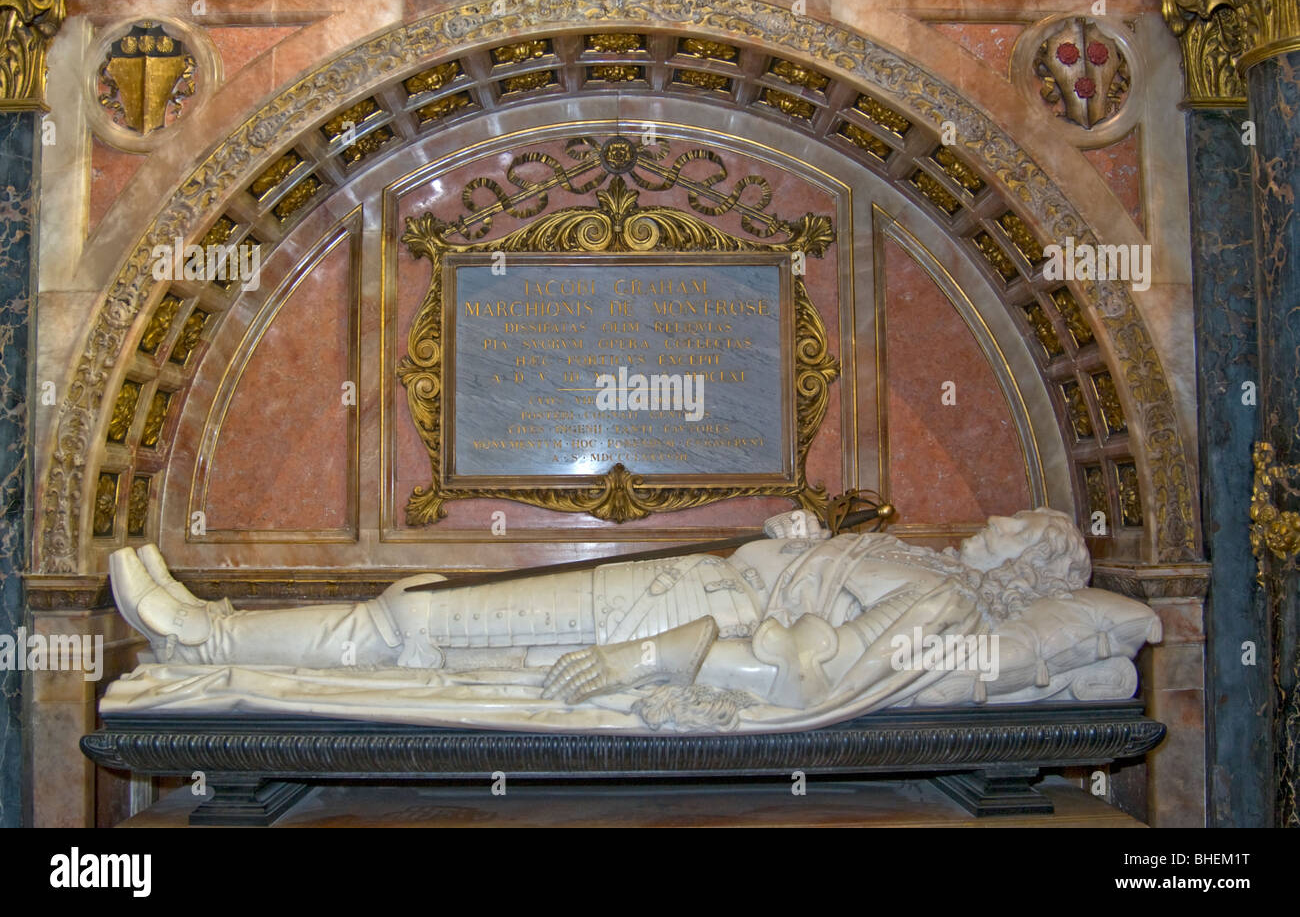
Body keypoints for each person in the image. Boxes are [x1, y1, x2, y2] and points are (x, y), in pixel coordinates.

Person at [109, 507, 1161, 723]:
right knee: (420, 620)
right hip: (686, 588)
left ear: (1025, 574)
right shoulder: (920, 569)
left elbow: (802, 679)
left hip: (667, 615)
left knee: (414, 629)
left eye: (1021, 531)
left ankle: (208, 635)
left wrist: (638, 661)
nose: (1000, 521)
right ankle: (211, 628)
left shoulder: (938, 603)